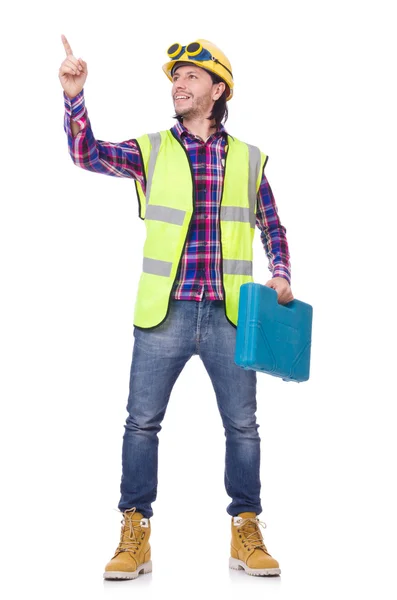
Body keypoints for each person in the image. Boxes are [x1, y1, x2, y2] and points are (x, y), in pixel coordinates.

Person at [59, 34, 294, 580]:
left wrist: (280, 272)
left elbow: (272, 226)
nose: (178, 84)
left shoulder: (250, 160)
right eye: (175, 77)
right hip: (163, 314)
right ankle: (134, 533)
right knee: (141, 425)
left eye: (190, 76)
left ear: (218, 89)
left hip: (231, 319)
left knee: (243, 428)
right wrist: (75, 96)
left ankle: (246, 529)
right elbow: (85, 153)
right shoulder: (151, 150)